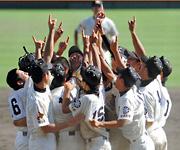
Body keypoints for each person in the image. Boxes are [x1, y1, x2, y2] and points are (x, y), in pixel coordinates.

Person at [26, 59, 83, 150]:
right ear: (45, 76)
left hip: (48, 141)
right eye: (48, 72)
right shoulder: (36, 100)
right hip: (40, 144)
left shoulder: (44, 88)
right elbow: (45, 128)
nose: (50, 74)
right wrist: (69, 123)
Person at [63, 65, 111, 150]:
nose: (81, 81)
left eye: (83, 80)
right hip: (100, 142)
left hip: (96, 144)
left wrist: (67, 90)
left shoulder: (86, 99)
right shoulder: (99, 92)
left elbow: (65, 109)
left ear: (86, 84)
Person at [51, 63, 86, 150]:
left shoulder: (48, 97)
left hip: (62, 140)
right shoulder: (72, 89)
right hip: (78, 138)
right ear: (65, 78)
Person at [74, 0, 118, 65]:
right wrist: (77, 46)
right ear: (92, 8)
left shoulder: (109, 22)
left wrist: (112, 46)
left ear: (102, 7)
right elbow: (77, 31)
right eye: (95, 6)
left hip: (104, 50)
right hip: (89, 50)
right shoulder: (86, 21)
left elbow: (114, 35)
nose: (97, 8)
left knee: (106, 65)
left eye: (99, 6)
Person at [6, 68, 30, 150]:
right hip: (26, 140)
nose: (27, 73)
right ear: (19, 82)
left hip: (27, 137)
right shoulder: (20, 94)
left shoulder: (16, 93)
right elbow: (19, 122)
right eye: (23, 73)